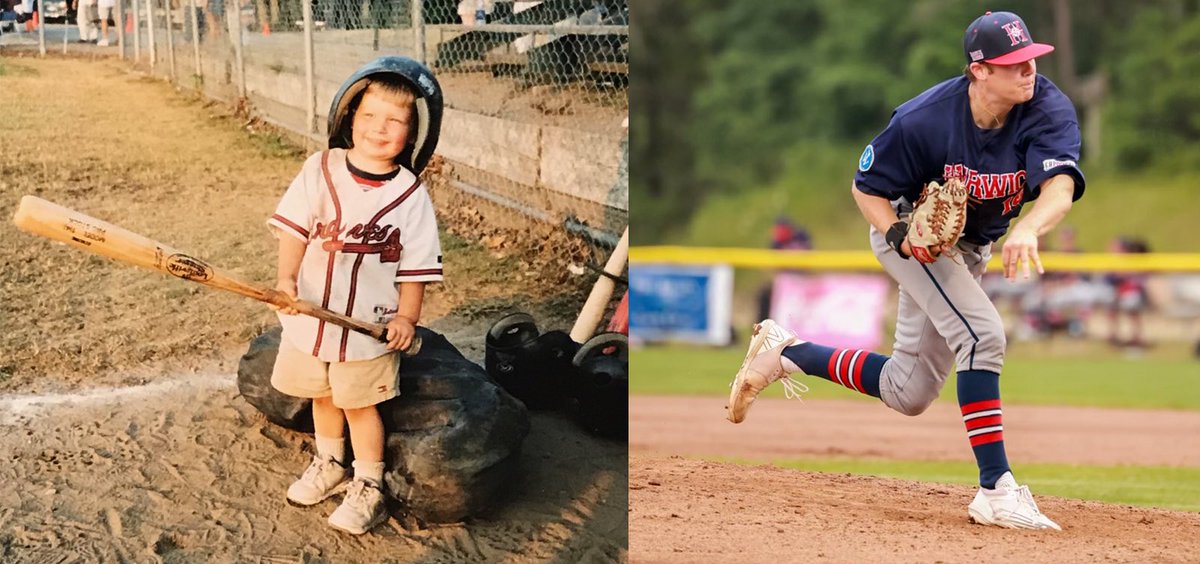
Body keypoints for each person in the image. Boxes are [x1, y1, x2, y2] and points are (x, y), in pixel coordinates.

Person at [727, 11, 1085, 531]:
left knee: (909, 391)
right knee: (983, 337)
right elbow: (866, 187)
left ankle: (785, 353)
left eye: (1031, 58)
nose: (1028, 70)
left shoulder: (1047, 108)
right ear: (979, 70)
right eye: (1014, 64)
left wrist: (1029, 228)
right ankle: (996, 489)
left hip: (972, 246)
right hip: (911, 237)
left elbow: (1061, 185)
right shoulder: (926, 119)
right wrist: (897, 235)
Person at [267, 56, 445, 535]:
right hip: (311, 316)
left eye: (395, 121)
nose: (378, 128)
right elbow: (294, 230)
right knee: (323, 395)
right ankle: (330, 461)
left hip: (369, 323)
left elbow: (415, 267)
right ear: (349, 117)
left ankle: (368, 483)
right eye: (369, 115)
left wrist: (406, 318)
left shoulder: (410, 193)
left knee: (360, 405)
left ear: (414, 133)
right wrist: (286, 280)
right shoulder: (320, 167)